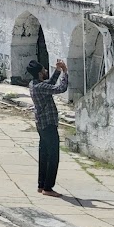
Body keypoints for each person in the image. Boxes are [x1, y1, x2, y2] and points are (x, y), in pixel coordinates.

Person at [27, 59, 69, 196]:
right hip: (48, 124)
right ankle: (48, 187)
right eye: (44, 70)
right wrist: (65, 73)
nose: (46, 71)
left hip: (41, 124)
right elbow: (60, 88)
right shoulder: (40, 87)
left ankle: (41, 185)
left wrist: (57, 71)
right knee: (53, 156)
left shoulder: (34, 84)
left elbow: (49, 84)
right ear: (40, 73)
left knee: (44, 155)